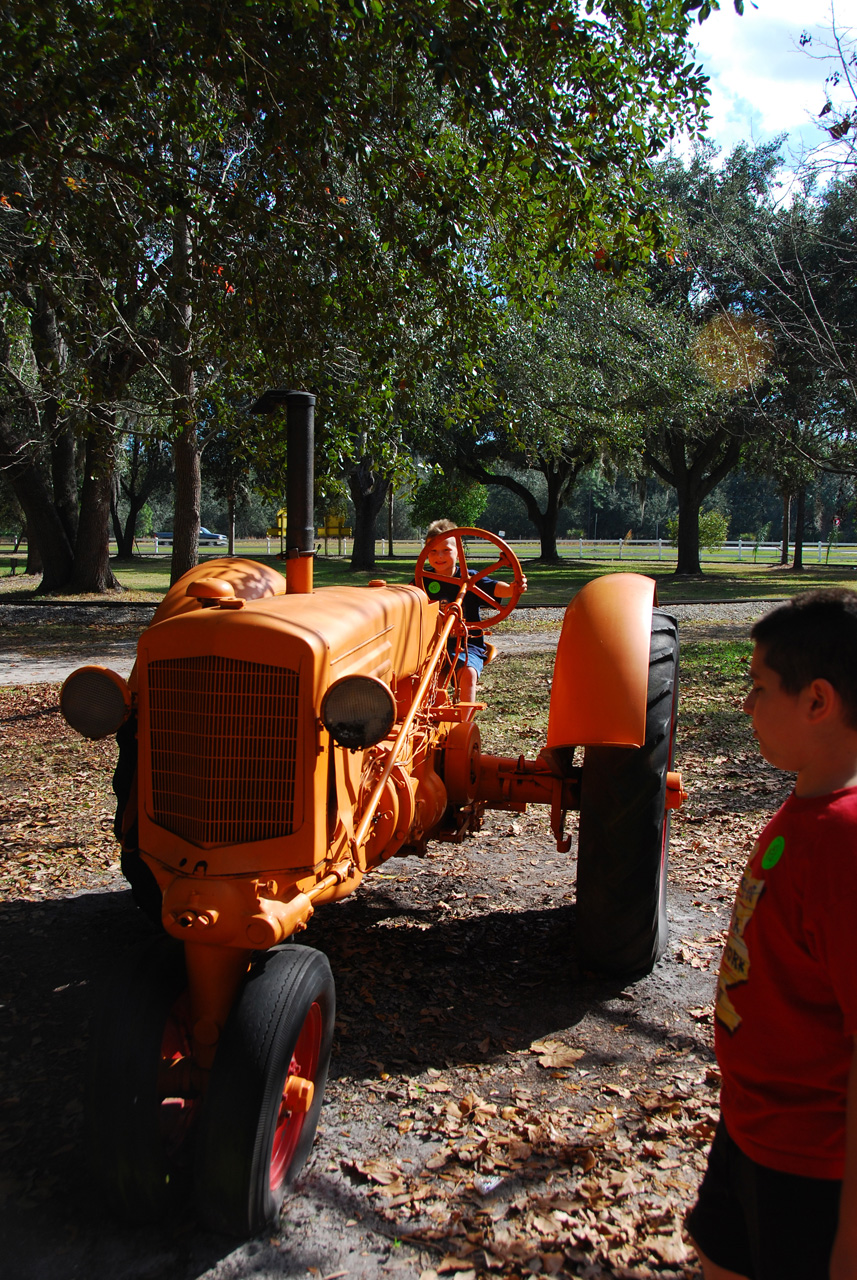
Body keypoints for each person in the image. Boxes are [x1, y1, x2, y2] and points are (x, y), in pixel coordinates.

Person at [686, 589, 857, 1280]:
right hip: (750, 1129)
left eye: (757, 688)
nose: (745, 706)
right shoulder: (807, 803)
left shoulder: (843, 842)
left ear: (816, 701)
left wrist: (848, 1244)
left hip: (808, 1167)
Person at [418, 518, 526, 708]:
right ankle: (427, 717)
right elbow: (407, 597)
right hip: (432, 646)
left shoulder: (471, 579)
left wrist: (512, 589)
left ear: (459, 552)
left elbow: (494, 588)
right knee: (422, 676)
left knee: (468, 673)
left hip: (467, 645)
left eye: (446, 550)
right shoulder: (422, 581)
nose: (439, 556)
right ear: (426, 554)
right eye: (433, 551)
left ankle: (465, 721)